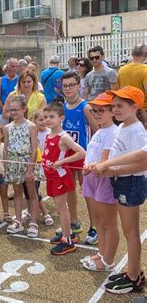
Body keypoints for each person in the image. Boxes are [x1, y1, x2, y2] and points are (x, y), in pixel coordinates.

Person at [101, 86, 146, 294]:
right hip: (122, 181)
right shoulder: (123, 126)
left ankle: (133, 277)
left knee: (130, 232)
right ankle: (134, 270)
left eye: (120, 106)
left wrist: (114, 169)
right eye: (114, 106)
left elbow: (143, 164)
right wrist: (104, 166)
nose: (115, 109)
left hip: (130, 183)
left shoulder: (136, 130)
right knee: (129, 231)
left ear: (134, 107)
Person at [80, 93, 118, 272]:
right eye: (94, 110)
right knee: (99, 219)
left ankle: (108, 261)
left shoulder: (113, 131)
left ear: (112, 111)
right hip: (92, 177)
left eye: (101, 110)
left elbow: (104, 159)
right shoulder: (101, 130)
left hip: (103, 179)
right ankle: (101, 253)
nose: (96, 114)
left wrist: (93, 167)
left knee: (108, 222)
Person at [42, 102, 86, 255]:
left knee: (61, 208)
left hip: (60, 176)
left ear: (61, 118)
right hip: (51, 176)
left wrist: (61, 162)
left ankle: (67, 240)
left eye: (52, 117)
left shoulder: (64, 137)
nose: (48, 119)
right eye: (46, 116)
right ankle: (70, 234)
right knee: (59, 207)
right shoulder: (49, 134)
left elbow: (81, 152)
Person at [60, 72, 98, 245]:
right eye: (65, 86)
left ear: (79, 86)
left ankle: (95, 227)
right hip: (67, 156)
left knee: (88, 193)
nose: (68, 89)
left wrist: (94, 155)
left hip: (84, 157)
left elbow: (97, 132)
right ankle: (74, 222)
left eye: (71, 85)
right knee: (69, 189)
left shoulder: (85, 107)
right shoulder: (62, 107)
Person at [3, 95, 39, 238]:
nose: (12, 113)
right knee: (17, 192)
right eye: (10, 110)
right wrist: (6, 167)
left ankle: (33, 222)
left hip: (27, 162)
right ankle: (18, 220)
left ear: (24, 109)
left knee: (32, 193)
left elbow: (34, 149)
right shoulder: (7, 127)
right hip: (13, 163)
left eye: (15, 109)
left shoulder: (31, 126)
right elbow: (5, 148)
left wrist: (30, 169)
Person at [117, 43, 147, 112]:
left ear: (132, 54)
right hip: (142, 109)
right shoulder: (145, 71)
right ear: (145, 54)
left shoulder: (121, 70)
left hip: (126, 108)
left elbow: (119, 89)